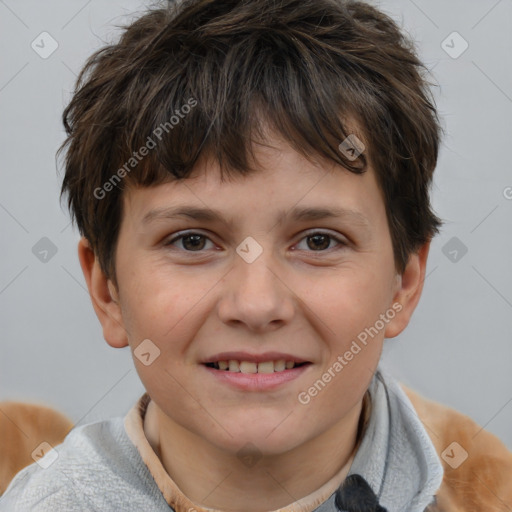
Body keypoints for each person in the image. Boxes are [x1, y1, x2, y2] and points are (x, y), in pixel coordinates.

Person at [2, 0, 511, 510]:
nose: (256, 303)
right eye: (193, 241)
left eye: (318, 241)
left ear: (403, 284)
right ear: (107, 291)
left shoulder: (483, 492)